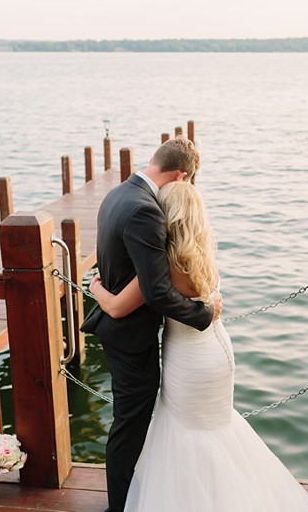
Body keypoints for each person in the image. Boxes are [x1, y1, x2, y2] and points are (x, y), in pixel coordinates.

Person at [89, 180, 308, 511]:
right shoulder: (203, 250)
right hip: (216, 349)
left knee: (189, 436)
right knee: (215, 430)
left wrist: (96, 287)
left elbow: (117, 306)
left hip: (189, 359)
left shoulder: (164, 263)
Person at [80, 137, 222, 512]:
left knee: (130, 423)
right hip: (132, 340)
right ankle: (120, 507)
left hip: (119, 330)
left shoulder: (118, 195)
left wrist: (103, 294)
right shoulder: (146, 211)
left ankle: (134, 498)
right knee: (129, 429)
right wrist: (205, 315)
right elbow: (157, 292)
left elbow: (121, 264)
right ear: (182, 176)